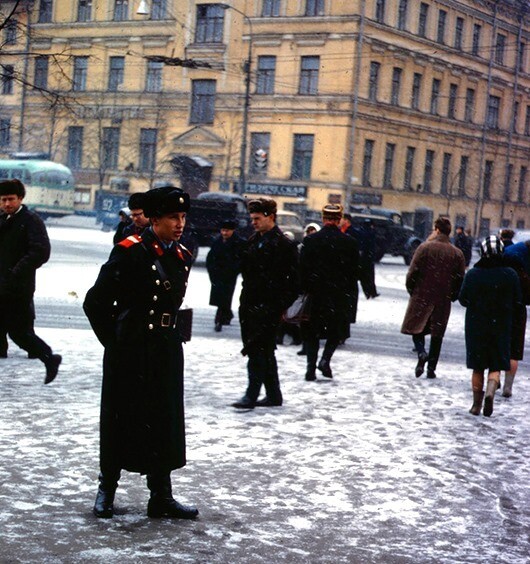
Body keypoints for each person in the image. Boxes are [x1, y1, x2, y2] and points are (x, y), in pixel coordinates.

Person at [83, 185, 198, 520]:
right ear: (155, 220)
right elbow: (95, 303)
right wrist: (116, 342)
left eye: (183, 217)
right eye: (173, 217)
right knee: (120, 418)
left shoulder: (180, 255)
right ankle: (107, 488)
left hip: (164, 349)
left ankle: (160, 496)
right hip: (130, 351)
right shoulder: (130, 251)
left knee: (163, 420)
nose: (180, 224)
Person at [232, 197, 298, 409]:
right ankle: (273, 395)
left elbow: (295, 283)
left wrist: (277, 306)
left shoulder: (284, 245)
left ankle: (251, 395)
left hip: (268, 307)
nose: (253, 222)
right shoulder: (252, 241)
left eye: (257, 218)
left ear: (271, 217)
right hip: (249, 305)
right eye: (252, 218)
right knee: (264, 351)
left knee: (256, 350)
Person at [0, 179, 62, 383]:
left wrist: (16, 271)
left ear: (20, 199)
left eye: (10, 199)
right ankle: (49, 358)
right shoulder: (3, 219)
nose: (6, 204)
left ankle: (49, 358)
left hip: (17, 287)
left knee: (19, 333)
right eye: (2, 200)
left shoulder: (31, 221)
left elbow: (41, 251)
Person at [459, 236, 521, 416]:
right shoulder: (510, 274)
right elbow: (518, 300)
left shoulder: (473, 274)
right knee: (495, 365)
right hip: (501, 326)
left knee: (477, 367)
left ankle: (476, 404)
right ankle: (490, 393)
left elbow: (463, 299)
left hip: (476, 326)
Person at [300, 204, 359, 381]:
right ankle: (325, 359)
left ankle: (310, 369)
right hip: (338, 295)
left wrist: (304, 289)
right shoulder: (350, 243)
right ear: (339, 219)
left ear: (323, 219)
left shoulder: (310, 240)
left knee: (312, 333)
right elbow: (354, 272)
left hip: (315, 294)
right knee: (335, 332)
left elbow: (302, 269)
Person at [401, 217, 465, 379]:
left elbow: (412, 272)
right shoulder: (457, 253)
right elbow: (460, 278)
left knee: (417, 327)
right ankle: (431, 368)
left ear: (436, 229)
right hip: (443, 298)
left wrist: (413, 290)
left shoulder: (424, 248)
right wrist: (453, 295)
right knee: (437, 334)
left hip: (422, 294)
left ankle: (422, 353)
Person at [502, 239, 530, 398]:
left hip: (500, 310)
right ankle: (508, 386)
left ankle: (494, 380)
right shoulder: (525, 276)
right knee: (514, 351)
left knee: (499, 347)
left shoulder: (508, 257)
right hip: (518, 311)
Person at [206, 219, 244, 332]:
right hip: (216, 274)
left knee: (225, 297)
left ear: (232, 231)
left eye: (227, 231)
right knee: (220, 297)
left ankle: (219, 320)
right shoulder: (217, 241)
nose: (224, 233)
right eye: (222, 230)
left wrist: (233, 270)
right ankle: (227, 315)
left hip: (229, 275)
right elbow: (210, 257)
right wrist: (212, 271)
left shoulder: (238, 243)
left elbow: (240, 260)